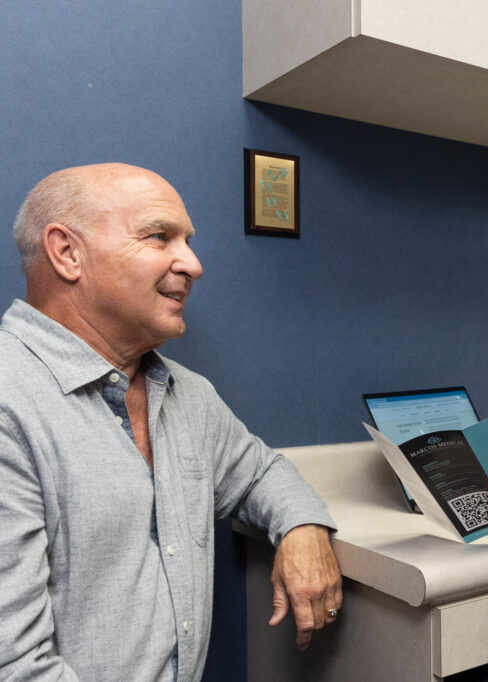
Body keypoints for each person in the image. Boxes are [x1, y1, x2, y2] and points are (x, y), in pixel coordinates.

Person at [0, 163, 344, 680]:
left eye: (186, 240)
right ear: (67, 252)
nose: (193, 263)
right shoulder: (11, 402)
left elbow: (260, 473)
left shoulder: (188, 393)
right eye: (159, 237)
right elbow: (16, 666)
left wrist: (303, 527)